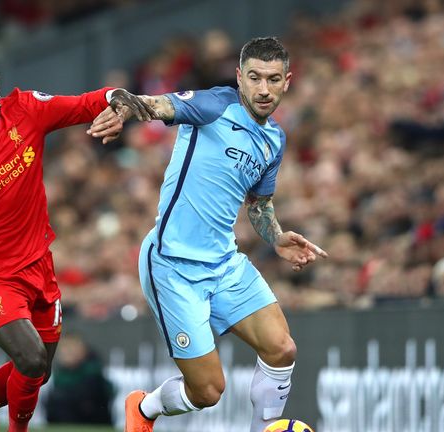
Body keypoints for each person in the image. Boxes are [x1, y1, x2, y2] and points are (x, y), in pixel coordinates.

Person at [88, 37, 328, 432]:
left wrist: (277, 237)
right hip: (173, 266)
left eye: (273, 79)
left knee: (282, 348)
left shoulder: (274, 140)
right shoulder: (216, 104)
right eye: (254, 77)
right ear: (239, 77)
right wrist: (125, 109)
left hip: (225, 263)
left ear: (288, 81)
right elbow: (158, 105)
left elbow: (258, 203)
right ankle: (145, 409)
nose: (263, 89)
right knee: (208, 391)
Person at [0, 52, 154, 432]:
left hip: (39, 265)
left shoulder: (25, 109)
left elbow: (83, 103)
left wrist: (117, 97)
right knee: (30, 361)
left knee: (37, 372)